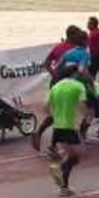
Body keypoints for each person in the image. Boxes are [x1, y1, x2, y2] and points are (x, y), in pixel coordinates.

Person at [32, 25, 81, 153]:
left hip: (56, 82)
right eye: (78, 34)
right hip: (65, 83)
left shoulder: (59, 47)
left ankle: (44, 136)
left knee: (58, 113)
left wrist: (54, 74)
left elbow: (46, 63)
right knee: (62, 114)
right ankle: (55, 144)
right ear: (72, 35)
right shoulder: (73, 49)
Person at [46, 66, 88, 197]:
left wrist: (56, 116)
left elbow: (46, 107)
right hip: (71, 126)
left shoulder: (56, 86)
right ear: (74, 74)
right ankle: (59, 169)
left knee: (72, 156)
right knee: (78, 153)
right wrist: (85, 116)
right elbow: (82, 104)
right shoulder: (78, 86)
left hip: (58, 126)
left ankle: (64, 188)